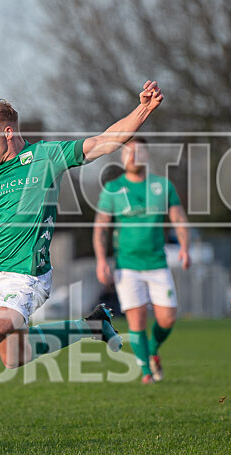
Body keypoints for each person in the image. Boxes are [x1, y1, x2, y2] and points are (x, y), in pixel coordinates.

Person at [0, 81, 164, 452]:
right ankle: (91, 325)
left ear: (8, 132)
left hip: (28, 276)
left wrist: (142, 110)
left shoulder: (46, 157)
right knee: (13, 356)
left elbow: (105, 142)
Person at [93, 137, 191, 384]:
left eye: (140, 152)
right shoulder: (113, 189)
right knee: (137, 320)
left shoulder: (161, 185)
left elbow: (178, 217)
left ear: (147, 155)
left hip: (157, 263)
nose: (135, 156)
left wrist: (185, 247)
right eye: (129, 152)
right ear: (122, 157)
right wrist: (101, 259)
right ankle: (147, 372)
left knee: (167, 319)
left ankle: (153, 349)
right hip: (127, 266)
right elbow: (101, 228)